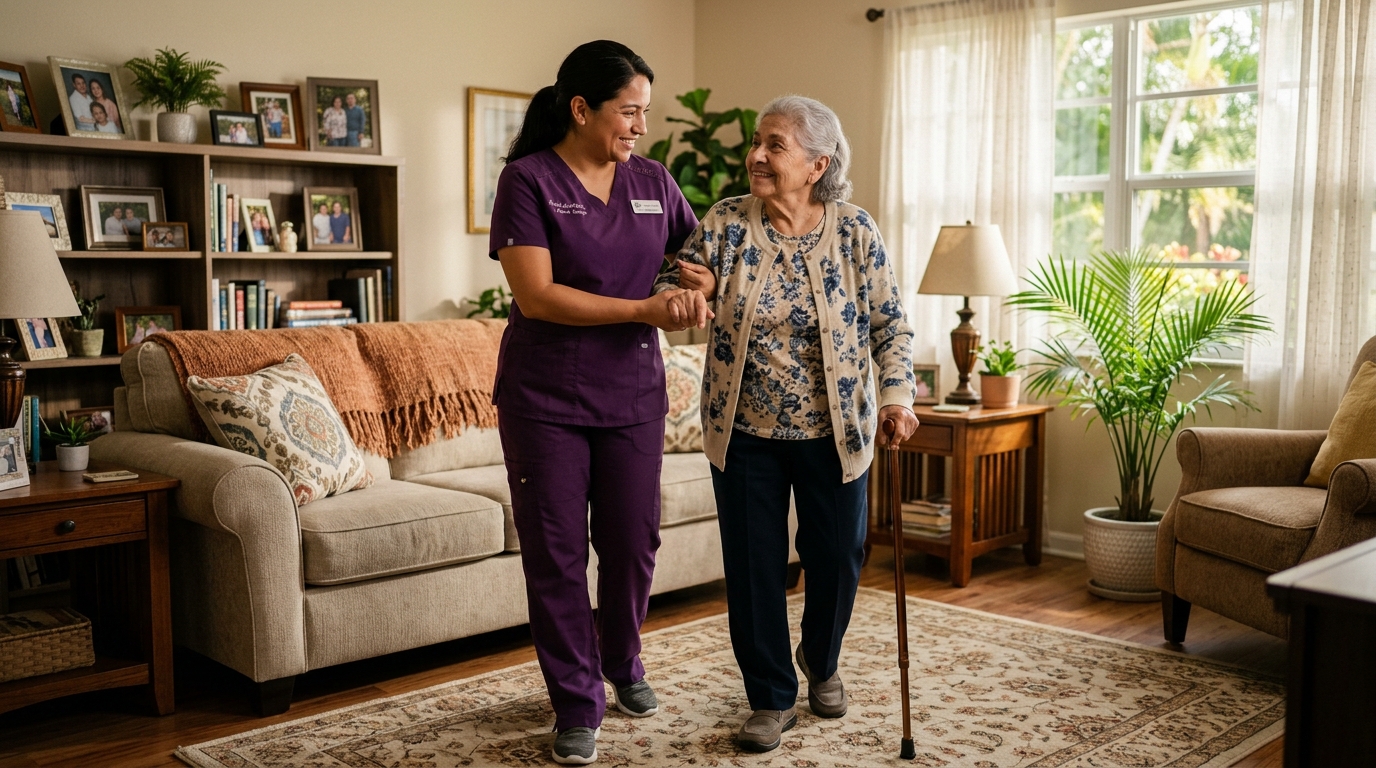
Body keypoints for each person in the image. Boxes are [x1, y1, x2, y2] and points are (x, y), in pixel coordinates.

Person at [655, 95, 919, 753]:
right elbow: (671, 284)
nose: (757, 155)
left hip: (838, 432)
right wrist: (688, 291)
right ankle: (769, 697)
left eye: (774, 144)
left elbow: (889, 324)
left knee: (838, 557)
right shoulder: (725, 224)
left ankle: (821, 660)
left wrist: (897, 398)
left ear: (816, 163)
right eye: (757, 142)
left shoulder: (856, 231)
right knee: (754, 569)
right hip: (744, 433)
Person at [489, 39, 705, 765]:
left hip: (634, 396)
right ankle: (576, 702)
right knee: (555, 555)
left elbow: (697, 259)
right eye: (629, 111)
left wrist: (697, 288)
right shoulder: (527, 180)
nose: (641, 126)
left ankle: (623, 661)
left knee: (633, 542)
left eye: (645, 112)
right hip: (545, 398)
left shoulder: (653, 180)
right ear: (580, 109)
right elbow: (537, 296)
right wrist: (646, 310)